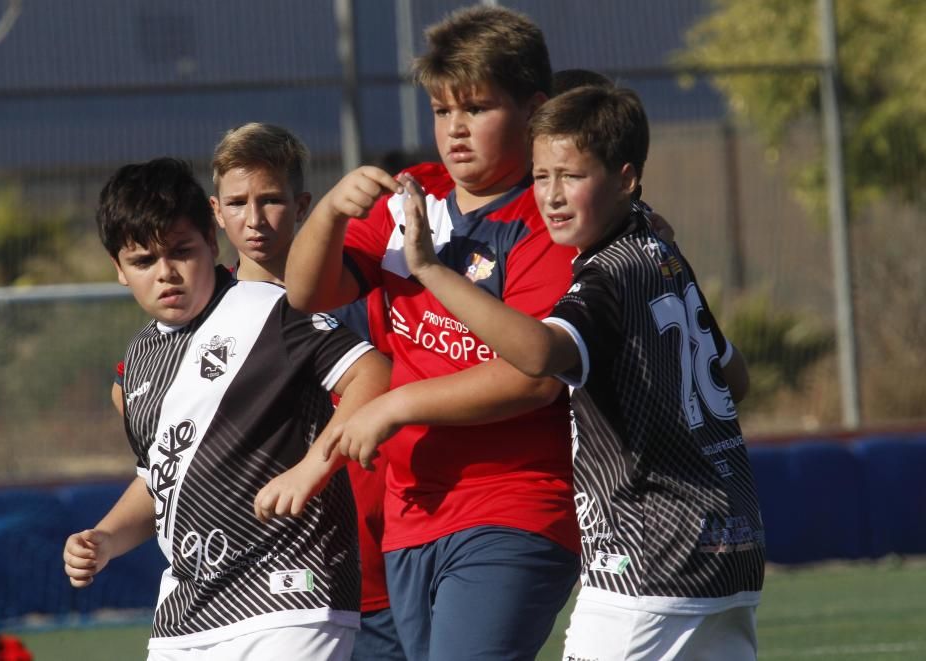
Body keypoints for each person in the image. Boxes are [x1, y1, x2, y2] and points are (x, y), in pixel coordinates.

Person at [370, 84, 765, 660]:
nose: (551, 197)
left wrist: (428, 268)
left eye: (571, 177)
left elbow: (536, 356)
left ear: (626, 179)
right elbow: (734, 379)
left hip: (646, 560)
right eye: (541, 177)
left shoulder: (605, 275)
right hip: (730, 547)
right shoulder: (663, 256)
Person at [286, 6, 581, 660]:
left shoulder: (546, 217)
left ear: (534, 109)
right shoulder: (416, 192)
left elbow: (534, 376)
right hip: (412, 511)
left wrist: (396, 404)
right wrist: (331, 210)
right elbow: (308, 291)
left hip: (513, 505)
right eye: (443, 111)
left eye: (476, 108)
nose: (455, 129)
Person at [63, 156, 391, 660]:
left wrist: (312, 468)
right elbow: (162, 477)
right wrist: (105, 537)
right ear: (119, 269)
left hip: (291, 595)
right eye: (144, 261)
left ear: (212, 243)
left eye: (181, 251)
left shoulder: (271, 310)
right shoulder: (134, 367)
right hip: (186, 614)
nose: (166, 273)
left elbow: (373, 374)